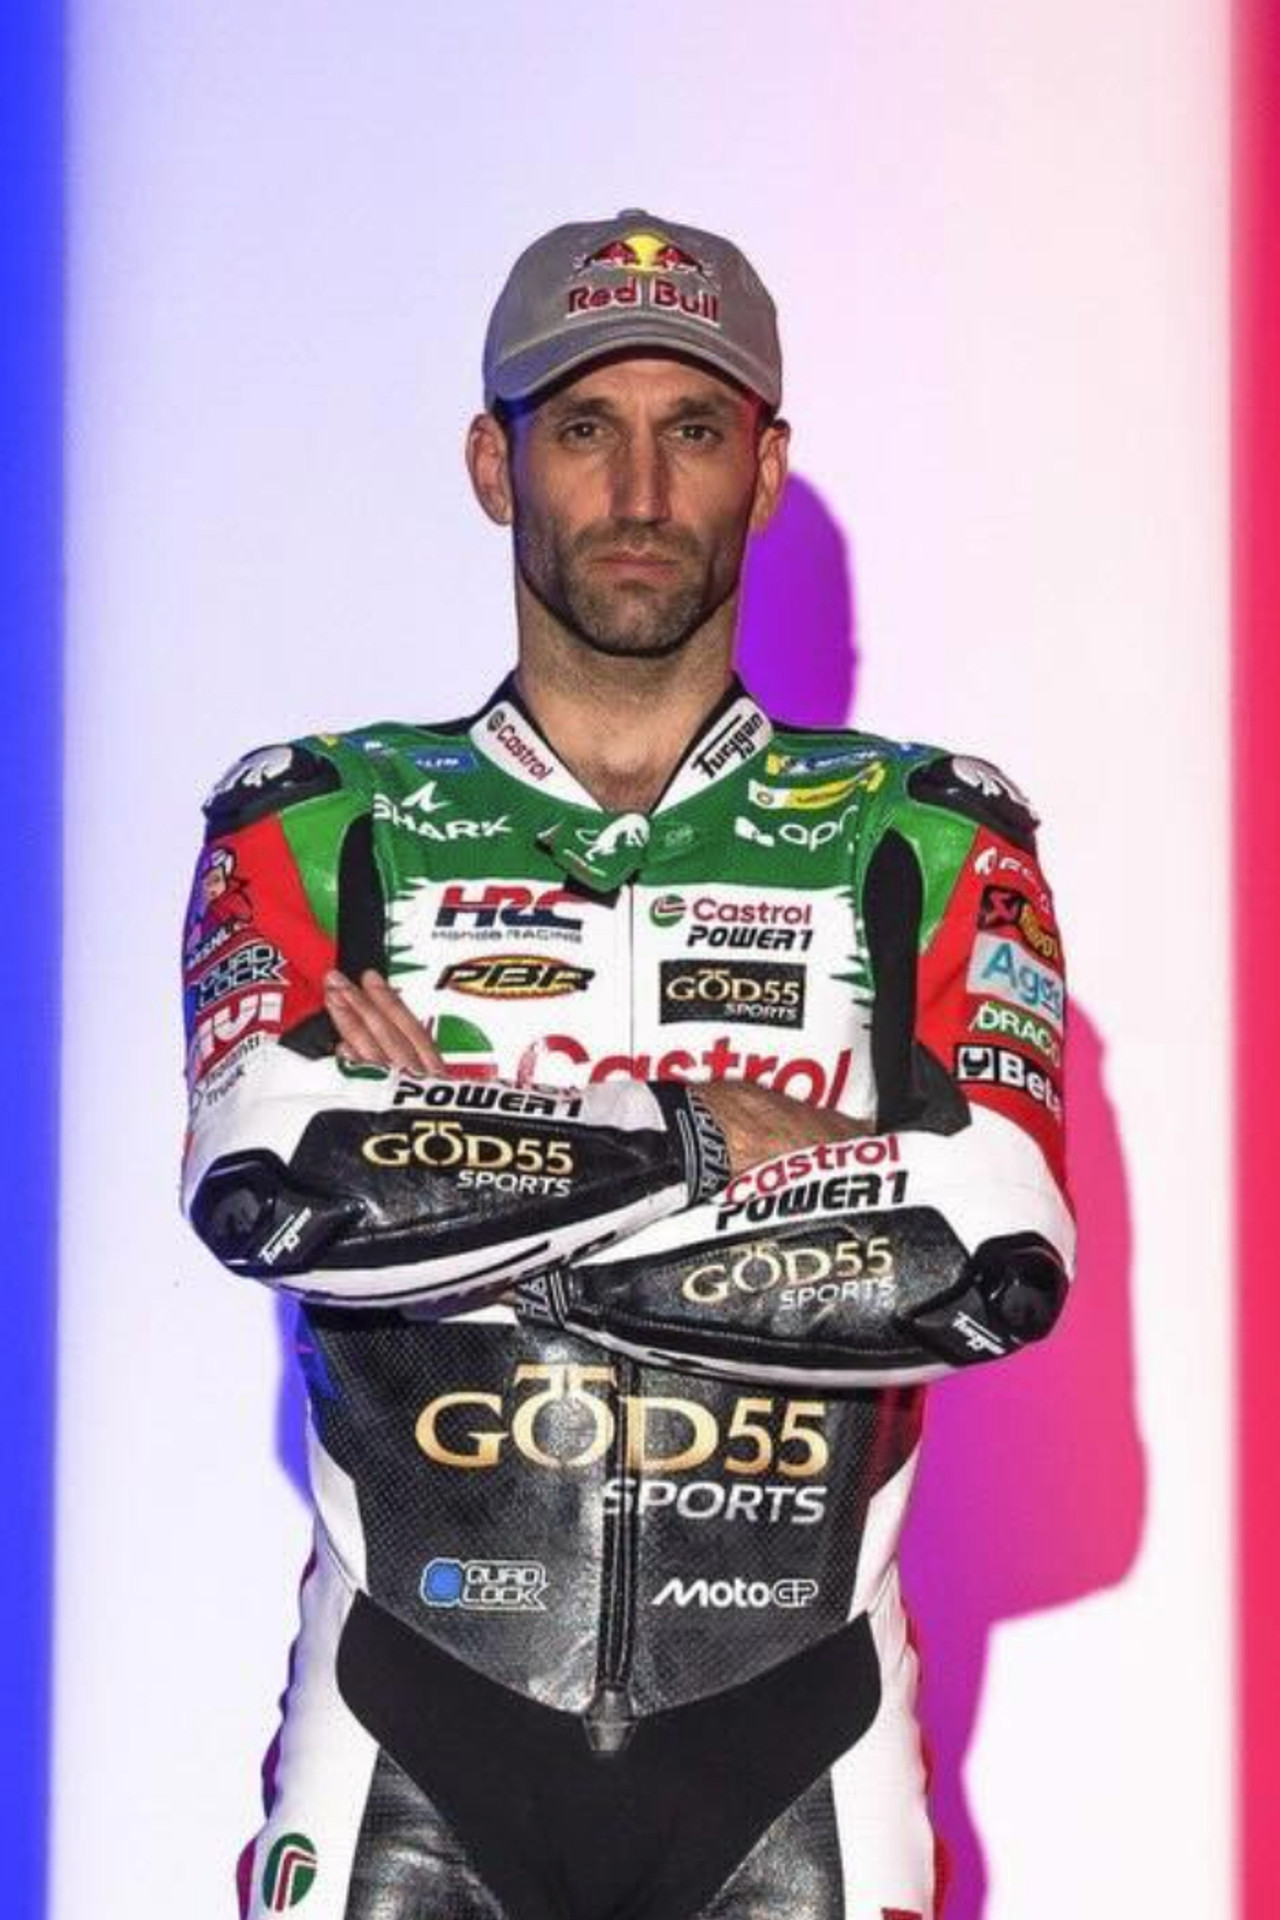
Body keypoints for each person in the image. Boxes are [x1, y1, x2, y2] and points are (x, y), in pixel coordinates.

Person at [181, 209, 1074, 1920]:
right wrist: (737, 1141)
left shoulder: (927, 830)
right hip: (401, 1739)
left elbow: (985, 1259)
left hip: (805, 1756)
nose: (642, 491)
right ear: (492, 464)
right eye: (586, 427)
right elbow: (278, 1190)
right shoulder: (322, 813)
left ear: (766, 470)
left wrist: (460, 1148)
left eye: (696, 429)